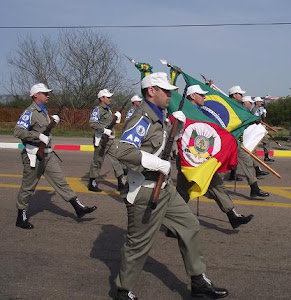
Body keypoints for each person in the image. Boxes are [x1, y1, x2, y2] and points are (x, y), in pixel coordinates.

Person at [114, 73, 228, 300]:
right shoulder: (142, 118)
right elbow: (123, 151)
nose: (169, 95)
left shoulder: (160, 116)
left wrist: (176, 132)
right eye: (165, 91)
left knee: (190, 226)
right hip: (145, 190)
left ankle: (198, 280)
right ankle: (122, 291)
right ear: (151, 91)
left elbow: (160, 148)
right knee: (138, 245)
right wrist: (157, 163)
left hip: (164, 187)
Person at [14, 83, 97, 229]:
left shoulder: (43, 111)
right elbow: (18, 132)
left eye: (47, 93)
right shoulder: (30, 112)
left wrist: (52, 124)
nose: (48, 96)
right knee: (28, 187)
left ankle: (78, 207)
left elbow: (45, 131)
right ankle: (21, 216)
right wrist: (38, 136)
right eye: (45, 93)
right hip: (33, 155)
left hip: (48, 154)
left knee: (60, 182)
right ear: (35, 95)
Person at [176, 84, 254, 229]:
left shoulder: (202, 113)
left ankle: (233, 216)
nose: (204, 97)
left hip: (203, 158)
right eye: (201, 94)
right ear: (192, 96)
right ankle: (172, 223)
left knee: (215, 185)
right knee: (183, 193)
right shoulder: (183, 113)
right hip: (188, 159)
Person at [228, 86, 269, 198]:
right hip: (227, 140)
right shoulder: (228, 105)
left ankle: (254, 188)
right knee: (217, 167)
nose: (241, 96)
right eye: (240, 94)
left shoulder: (239, 107)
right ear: (234, 95)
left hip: (237, 141)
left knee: (247, 162)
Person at [87, 89, 127, 193]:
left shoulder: (108, 109)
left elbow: (110, 123)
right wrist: (104, 130)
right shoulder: (98, 109)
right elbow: (92, 123)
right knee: (98, 161)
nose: (110, 99)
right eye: (108, 97)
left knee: (116, 160)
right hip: (101, 139)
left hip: (110, 139)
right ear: (101, 98)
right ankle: (92, 182)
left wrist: (116, 119)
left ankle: (120, 182)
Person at [253, 96, 274, 163]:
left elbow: (263, 118)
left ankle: (266, 156)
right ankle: (255, 158)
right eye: (259, 101)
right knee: (255, 144)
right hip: (256, 129)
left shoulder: (261, 109)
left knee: (266, 142)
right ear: (256, 102)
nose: (261, 103)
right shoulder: (254, 110)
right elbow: (256, 119)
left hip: (261, 128)